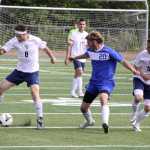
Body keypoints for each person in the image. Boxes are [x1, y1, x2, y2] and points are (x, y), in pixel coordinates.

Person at [69, 31, 139, 134]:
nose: (87, 44)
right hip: (93, 83)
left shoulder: (109, 51)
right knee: (83, 108)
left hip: (106, 82)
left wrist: (133, 70)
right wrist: (74, 57)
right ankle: (90, 121)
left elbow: (122, 61)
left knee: (103, 98)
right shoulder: (90, 50)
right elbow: (86, 55)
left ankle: (105, 123)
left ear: (95, 41)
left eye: (88, 42)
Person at [0, 25, 56, 129]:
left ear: (26, 33)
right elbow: (3, 50)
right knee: (1, 88)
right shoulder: (14, 40)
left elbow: (45, 48)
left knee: (35, 94)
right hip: (19, 71)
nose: (18, 38)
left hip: (32, 72)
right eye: (16, 35)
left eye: (20, 36)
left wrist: (52, 57)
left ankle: (40, 120)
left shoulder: (35, 40)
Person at [65, 18, 88, 98]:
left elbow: (88, 46)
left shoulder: (86, 34)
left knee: (78, 75)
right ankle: (80, 91)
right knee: (80, 72)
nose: (82, 26)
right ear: (78, 25)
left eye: (83, 24)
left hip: (83, 57)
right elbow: (69, 45)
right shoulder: (74, 33)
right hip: (75, 56)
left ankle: (73, 92)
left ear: (85, 25)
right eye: (80, 24)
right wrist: (67, 57)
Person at [131, 39, 150, 132]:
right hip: (139, 79)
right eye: (148, 46)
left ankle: (137, 124)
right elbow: (135, 66)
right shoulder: (142, 54)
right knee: (138, 98)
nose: (148, 48)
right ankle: (134, 113)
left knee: (147, 108)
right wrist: (143, 75)